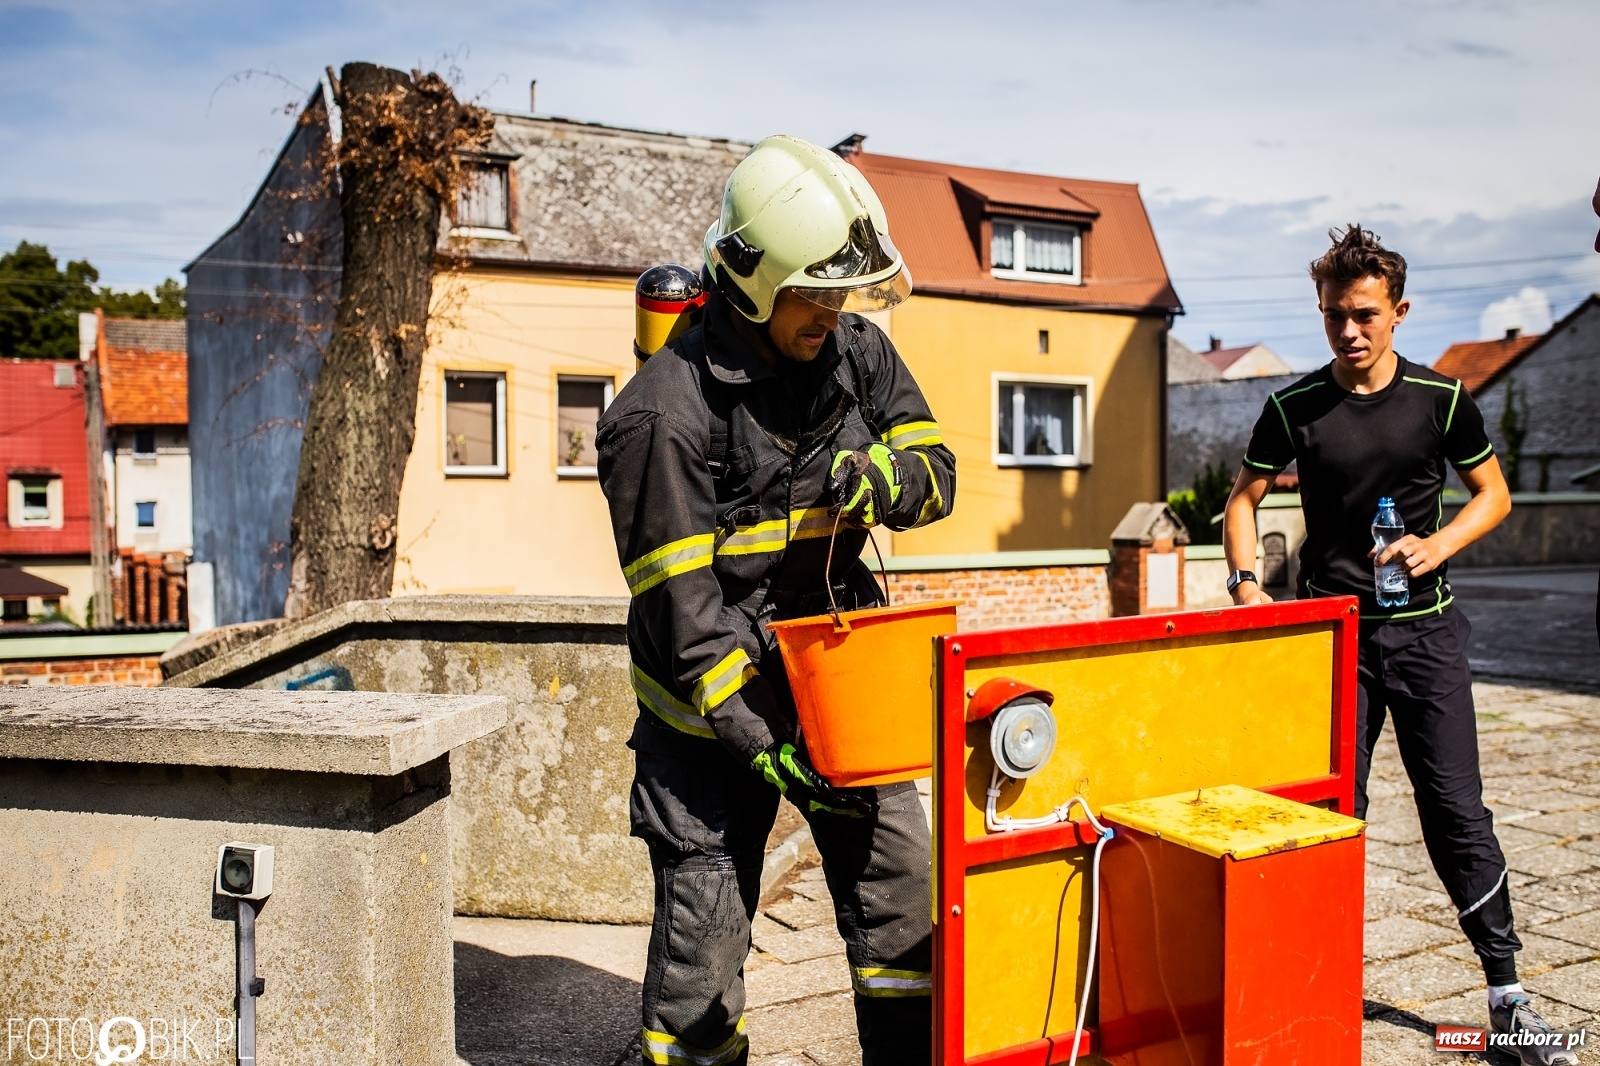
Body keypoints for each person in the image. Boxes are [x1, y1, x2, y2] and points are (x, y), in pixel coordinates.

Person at [596, 134, 956, 1066]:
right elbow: (686, 621)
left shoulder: (855, 354)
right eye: (818, 292)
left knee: (905, 910)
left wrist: (890, 478)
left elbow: (937, 467)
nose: (835, 314)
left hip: (840, 692)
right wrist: (764, 746)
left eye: (845, 294)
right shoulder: (661, 414)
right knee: (702, 964)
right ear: (757, 282)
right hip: (710, 726)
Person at [1223, 225, 1576, 1066]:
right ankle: (1312, 990)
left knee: (1456, 811)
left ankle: (1508, 1000)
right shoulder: (1293, 406)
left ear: (1399, 312)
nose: (1349, 331)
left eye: (1365, 315)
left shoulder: (1442, 399)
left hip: (1425, 637)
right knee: (1330, 816)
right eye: (1334, 316)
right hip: (1335, 639)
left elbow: (1493, 496)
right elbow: (1242, 501)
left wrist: (1438, 544)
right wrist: (1246, 583)